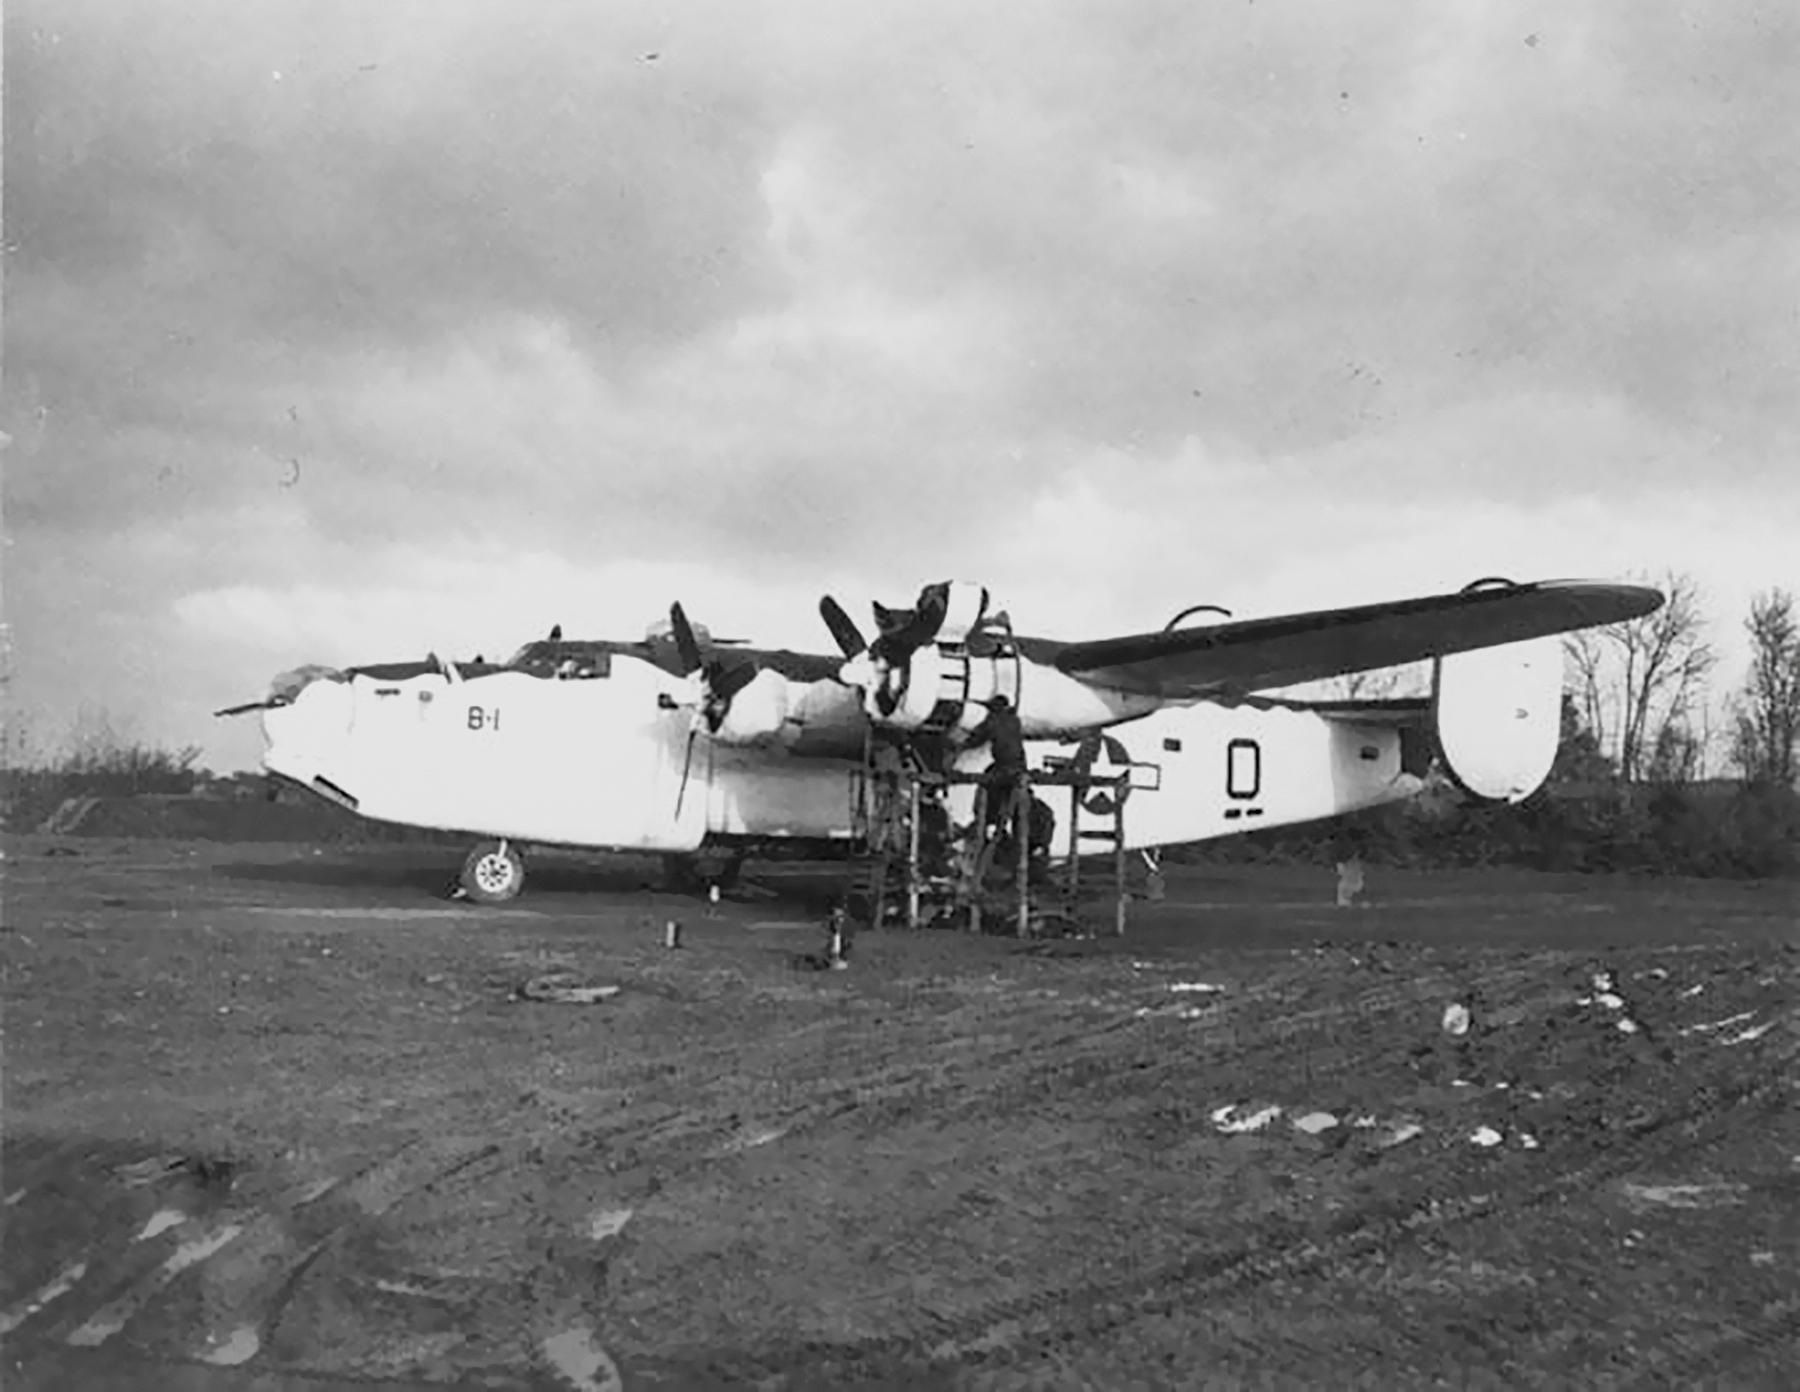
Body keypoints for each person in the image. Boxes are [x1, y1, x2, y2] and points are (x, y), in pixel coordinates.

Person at [968, 694, 1027, 834]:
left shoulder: (994, 720)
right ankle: (998, 821)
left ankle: (988, 819)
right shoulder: (1014, 720)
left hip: (1004, 766)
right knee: (1008, 794)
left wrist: (961, 743)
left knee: (988, 783)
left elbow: (977, 738)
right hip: (1020, 765)